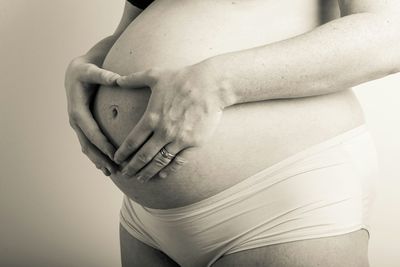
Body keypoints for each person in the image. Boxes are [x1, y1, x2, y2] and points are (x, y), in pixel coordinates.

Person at [64, 0, 400, 266]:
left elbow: (389, 36)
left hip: (280, 201)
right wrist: (91, 62)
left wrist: (217, 83)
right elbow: (137, 25)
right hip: (147, 219)